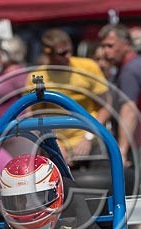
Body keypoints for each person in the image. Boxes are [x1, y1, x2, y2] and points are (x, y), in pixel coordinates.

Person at [98, 23, 141, 195]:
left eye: (110, 46)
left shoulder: (130, 69)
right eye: (103, 46)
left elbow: (129, 109)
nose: (105, 52)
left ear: (126, 44)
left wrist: (121, 150)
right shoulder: (136, 64)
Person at [29, 28, 111, 162]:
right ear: (48, 53)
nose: (68, 56)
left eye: (70, 51)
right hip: (56, 144)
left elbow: (106, 106)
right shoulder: (38, 77)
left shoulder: (88, 67)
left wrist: (88, 137)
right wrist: (54, 144)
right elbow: (36, 115)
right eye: (62, 53)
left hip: (91, 140)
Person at [0, 36, 28, 123]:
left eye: (1, 51)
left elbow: (27, 101)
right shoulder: (0, 73)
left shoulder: (18, 73)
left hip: (14, 126)